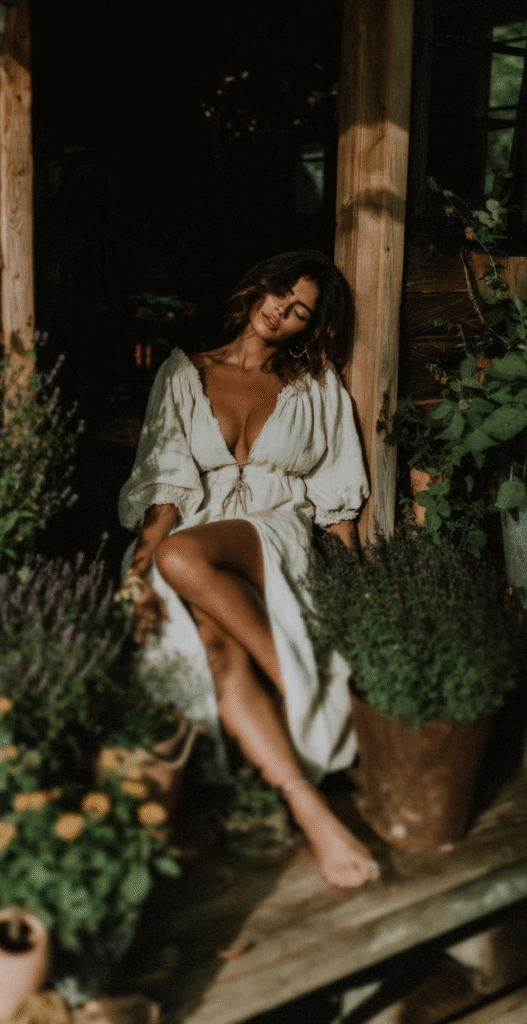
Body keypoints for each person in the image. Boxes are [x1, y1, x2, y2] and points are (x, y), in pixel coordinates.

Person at [118, 250, 379, 888]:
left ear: (309, 327)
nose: (282, 311)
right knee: (212, 648)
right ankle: (314, 813)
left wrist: (354, 586)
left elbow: (336, 496)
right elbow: (163, 489)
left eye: (301, 311)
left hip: (272, 533)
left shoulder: (315, 387)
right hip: (192, 535)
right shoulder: (185, 374)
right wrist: (136, 577)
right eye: (280, 293)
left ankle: (296, 686)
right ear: (258, 288)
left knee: (181, 555)